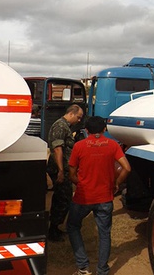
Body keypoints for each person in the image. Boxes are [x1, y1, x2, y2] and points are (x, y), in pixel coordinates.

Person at [66, 116, 131, 275]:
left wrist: (80, 183)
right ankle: (102, 270)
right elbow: (127, 168)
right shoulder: (113, 145)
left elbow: (72, 172)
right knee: (104, 234)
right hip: (105, 197)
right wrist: (117, 183)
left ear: (86, 130)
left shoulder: (79, 146)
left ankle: (83, 267)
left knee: (73, 226)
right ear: (104, 129)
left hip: (83, 197)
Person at [46, 104, 84, 241]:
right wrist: (61, 170)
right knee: (64, 199)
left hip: (62, 168)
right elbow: (57, 149)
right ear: (72, 114)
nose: (79, 120)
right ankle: (53, 230)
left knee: (61, 198)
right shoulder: (60, 126)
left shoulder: (65, 126)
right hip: (59, 169)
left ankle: (54, 228)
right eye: (78, 117)